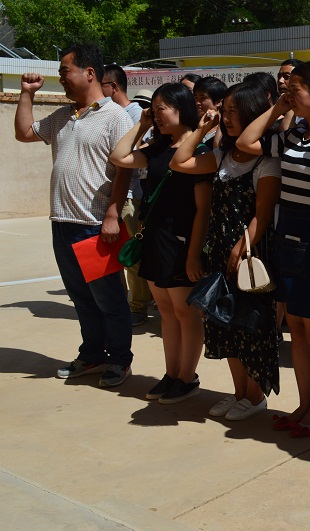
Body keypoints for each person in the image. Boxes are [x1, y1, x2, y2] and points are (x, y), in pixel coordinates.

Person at [237, 62, 310, 437]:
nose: (290, 94)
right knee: (297, 331)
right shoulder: (293, 134)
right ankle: (304, 405)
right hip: (287, 235)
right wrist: (277, 108)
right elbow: (245, 142)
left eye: (296, 88)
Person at [15, 44, 135, 387]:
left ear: (89, 73)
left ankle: (119, 360)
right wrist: (26, 94)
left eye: (65, 71)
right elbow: (24, 132)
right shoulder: (64, 116)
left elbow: (124, 169)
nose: (61, 78)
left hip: (94, 226)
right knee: (81, 298)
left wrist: (112, 213)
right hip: (63, 223)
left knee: (109, 299)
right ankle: (93, 355)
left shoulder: (115, 117)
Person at [170, 82, 281, 420]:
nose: (227, 117)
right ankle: (239, 393)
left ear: (251, 114)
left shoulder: (266, 161)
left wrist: (239, 248)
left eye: (234, 111)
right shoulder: (221, 155)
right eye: (225, 111)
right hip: (219, 252)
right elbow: (179, 161)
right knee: (225, 325)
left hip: (250, 257)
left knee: (249, 327)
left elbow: (262, 214)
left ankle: (255, 396)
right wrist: (202, 129)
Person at [110, 83, 212, 403]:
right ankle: (171, 374)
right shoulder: (156, 148)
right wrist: (141, 125)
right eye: (153, 110)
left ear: (182, 108)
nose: (156, 115)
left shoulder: (199, 151)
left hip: (181, 241)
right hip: (155, 238)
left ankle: (187, 376)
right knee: (167, 311)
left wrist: (193, 255)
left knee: (185, 312)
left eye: (161, 109)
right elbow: (118, 156)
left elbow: (203, 210)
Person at [102, 63, 152, 327]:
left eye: (100, 85)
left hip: (130, 195)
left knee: (132, 253)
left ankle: (138, 306)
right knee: (114, 256)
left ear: (113, 87)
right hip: (111, 196)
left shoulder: (133, 114)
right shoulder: (107, 113)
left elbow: (131, 156)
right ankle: (122, 305)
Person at [193, 76, 227, 148]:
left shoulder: (226, 130)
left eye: (202, 98)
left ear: (218, 102)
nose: (197, 103)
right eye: (196, 98)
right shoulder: (192, 127)